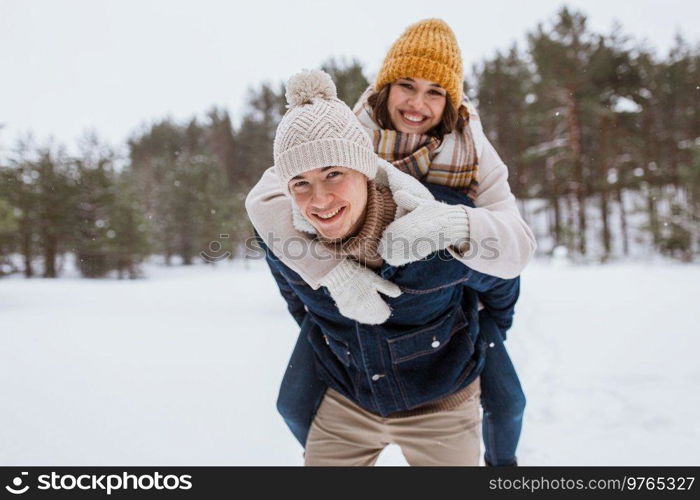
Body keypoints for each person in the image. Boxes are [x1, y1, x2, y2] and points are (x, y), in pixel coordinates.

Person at [246, 19, 534, 466]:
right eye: (406, 85)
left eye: (435, 92)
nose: (417, 104)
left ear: (451, 101)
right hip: (351, 292)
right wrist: (330, 276)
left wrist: (458, 224)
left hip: (453, 293)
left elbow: (515, 244)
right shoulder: (341, 128)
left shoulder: (471, 150)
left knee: (508, 401)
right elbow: (268, 198)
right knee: (293, 402)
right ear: (385, 86)